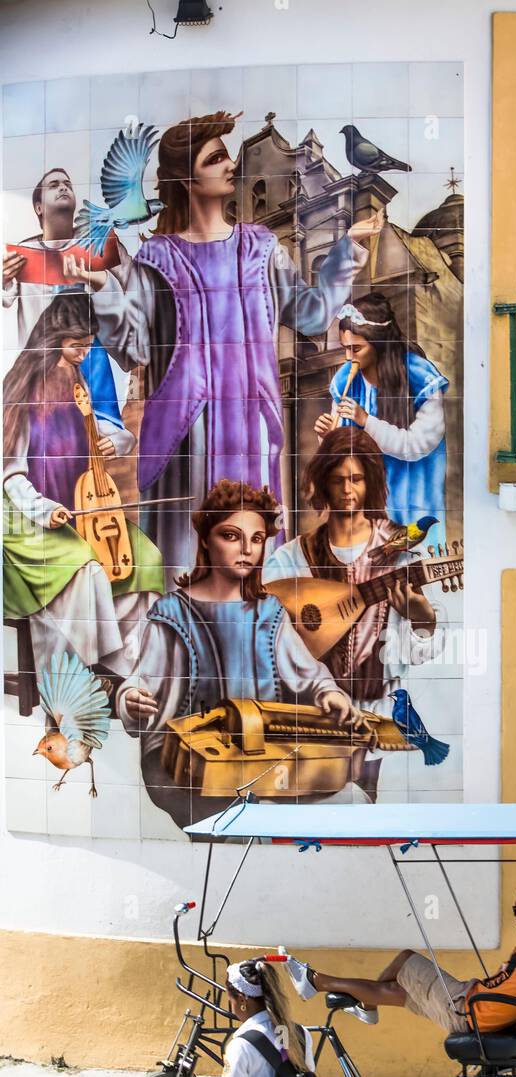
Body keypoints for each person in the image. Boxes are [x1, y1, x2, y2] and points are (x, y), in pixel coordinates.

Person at [67, 111, 383, 575]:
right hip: (184, 431)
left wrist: (347, 249)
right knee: (185, 563)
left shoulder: (259, 248)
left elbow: (312, 313)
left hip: (248, 427)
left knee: (247, 561)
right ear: (187, 180)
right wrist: (103, 288)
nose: (230, 165)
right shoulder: (157, 258)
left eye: (226, 155)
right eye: (215, 158)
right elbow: (133, 346)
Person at [117, 480, 370, 825]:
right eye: (231, 536)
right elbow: (142, 680)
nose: (246, 549)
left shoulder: (269, 612)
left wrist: (329, 694)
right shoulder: (172, 613)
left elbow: (308, 674)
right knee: (240, 815)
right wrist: (132, 697)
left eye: (256, 539)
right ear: (206, 539)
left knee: (349, 799)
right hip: (183, 762)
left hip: (259, 755)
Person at [263, 428, 441, 800]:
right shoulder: (293, 559)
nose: (348, 489)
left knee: (372, 807)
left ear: (370, 481)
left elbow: (418, 654)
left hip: (379, 710)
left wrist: (422, 618)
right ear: (323, 482)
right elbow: (266, 631)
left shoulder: (399, 554)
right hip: (315, 718)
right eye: (339, 479)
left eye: (357, 479)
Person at [2, 293, 163, 674]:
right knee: (86, 568)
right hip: (29, 516)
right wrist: (44, 510)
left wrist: (110, 440)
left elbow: (109, 429)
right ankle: (81, 670)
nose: (84, 353)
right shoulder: (21, 391)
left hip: (83, 509)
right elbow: (9, 471)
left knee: (147, 559)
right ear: (55, 338)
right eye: (77, 345)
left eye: (89, 344)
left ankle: (126, 667)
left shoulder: (79, 383)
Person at [285, 845, 516, 1033]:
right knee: (396, 990)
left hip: (467, 1008)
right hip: (472, 1004)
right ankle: (347, 994)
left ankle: (325, 984)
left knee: (406, 959)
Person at [314, 294, 449, 548]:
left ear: (380, 344)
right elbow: (344, 450)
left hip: (413, 495)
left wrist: (365, 420)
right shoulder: (346, 380)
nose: (348, 358)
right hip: (367, 503)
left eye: (356, 349)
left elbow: (415, 446)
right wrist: (328, 436)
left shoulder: (420, 377)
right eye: (345, 348)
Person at [2, 166, 124, 424]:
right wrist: (4, 278)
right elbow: (6, 298)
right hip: (44, 362)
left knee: (101, 425)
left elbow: (121, 300)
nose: (63, 187)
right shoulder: (24, 254)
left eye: (67, 183)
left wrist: (94, 279)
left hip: (90, 356)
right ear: (38, 207)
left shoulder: (93, 248)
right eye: (54, 184)